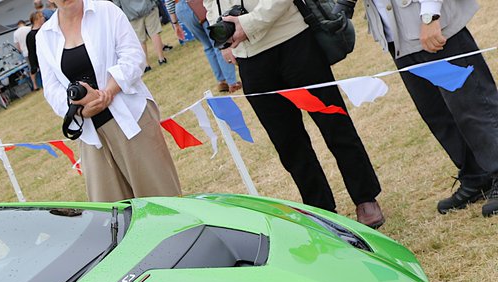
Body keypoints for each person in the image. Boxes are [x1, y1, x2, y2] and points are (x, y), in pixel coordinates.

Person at [208, 0, 385, 227]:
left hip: (293, 40)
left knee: (334, 123)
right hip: (250, 59)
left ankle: (365, 197)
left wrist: (249, 24)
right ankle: (320, 211)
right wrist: (223, 38)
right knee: (288, 143)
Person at [39, 0, 183, 202]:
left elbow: (133, 56)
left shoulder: (106, 10)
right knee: (112, 209)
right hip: (90, 134)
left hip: (132, 119)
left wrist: (107, 93)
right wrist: (79, 111)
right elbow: (51, 88)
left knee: (161, 198)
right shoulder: (44, 36)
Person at [364, 0, 498, 216]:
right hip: (397, 34)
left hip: (429, 23)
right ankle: (476, 175)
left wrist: (430, 15)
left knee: (474, 104)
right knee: (436, 113)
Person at [174, 0, 239, 91]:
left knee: (208, 47)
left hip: (180, 8)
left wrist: (175, 23)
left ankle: (221, 81)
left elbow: (169, 3)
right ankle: (232, 82)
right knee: (218, 42)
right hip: (198, 4)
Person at [112, 0, 168, 69]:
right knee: (154, 33)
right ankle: (161, 58)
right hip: (148, 7)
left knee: (140, 39)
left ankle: (146, 65)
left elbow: (117, 4)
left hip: (132, 14)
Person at [27, 11, 46, 89]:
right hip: (39, 58)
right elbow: (31, 51)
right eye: (41, 16)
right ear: (36, 19)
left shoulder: (45, 30)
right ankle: (36, 85)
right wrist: (33, 64)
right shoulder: (31, 35)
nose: (43, 18)